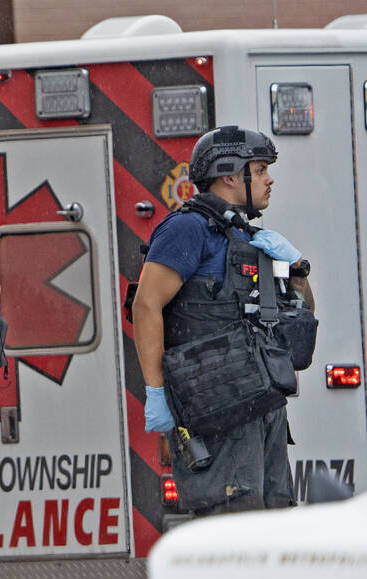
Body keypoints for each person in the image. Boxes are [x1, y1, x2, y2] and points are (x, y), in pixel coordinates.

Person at [132, 125, 313, 516]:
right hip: (216, 410)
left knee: (275, 523)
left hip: (262, 408)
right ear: (230, 175)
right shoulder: (187, 229)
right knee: (233, 525)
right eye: (260, 169)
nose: (269, 179)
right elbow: (146, 306)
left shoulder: (251, 237)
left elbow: (300, 319)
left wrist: (296, 267)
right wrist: (156, 393)